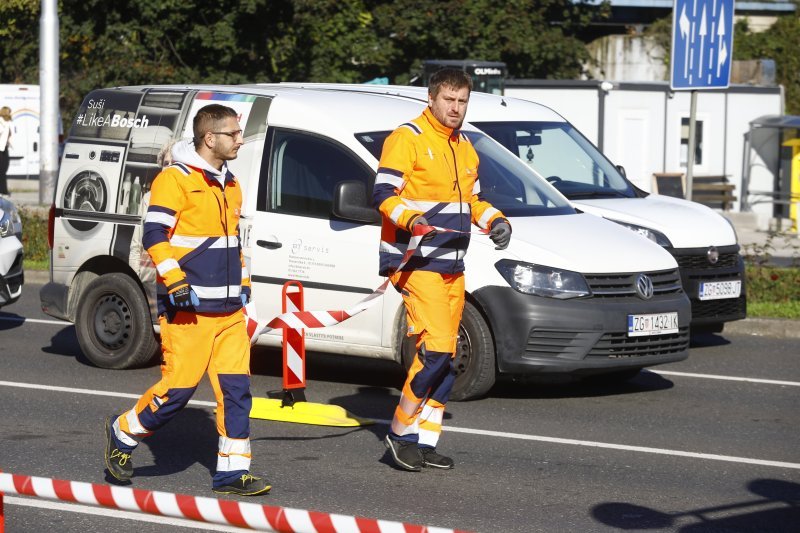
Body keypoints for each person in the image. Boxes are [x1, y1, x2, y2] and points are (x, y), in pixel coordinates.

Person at [104, 104, 271, 496]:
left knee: (236, 390)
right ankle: (123, 432)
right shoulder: (174, 180)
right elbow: (155, 236)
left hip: (230, 311)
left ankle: (232, 472)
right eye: (233, 134)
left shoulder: (230, 183)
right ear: (210, 138)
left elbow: (234, 242)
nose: (240, 140)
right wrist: (176, 282)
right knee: (178, 390)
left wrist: (244, 283)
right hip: (190, 308)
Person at [373, 69, 512, 471]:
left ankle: (426, 441)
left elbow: (473, 202)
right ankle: (400, 434)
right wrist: (412, 219)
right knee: (435, 350)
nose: (456, 108)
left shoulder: (465, 145)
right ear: (431, 99)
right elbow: (383, 194)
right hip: (415, 262)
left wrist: (496, 220)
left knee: (446, 358)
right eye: (449, 100)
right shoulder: (407, 138)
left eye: (462, 101)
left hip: (453, 261)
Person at [0, 106, 13, 196]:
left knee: (4, 169)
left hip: (5, 148)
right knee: (2, 170)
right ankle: (3, 190)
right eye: (9, 112)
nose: (10, 113)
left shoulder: (8, 122)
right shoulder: (1, 122)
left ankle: (3, 190)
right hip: (0, 148)